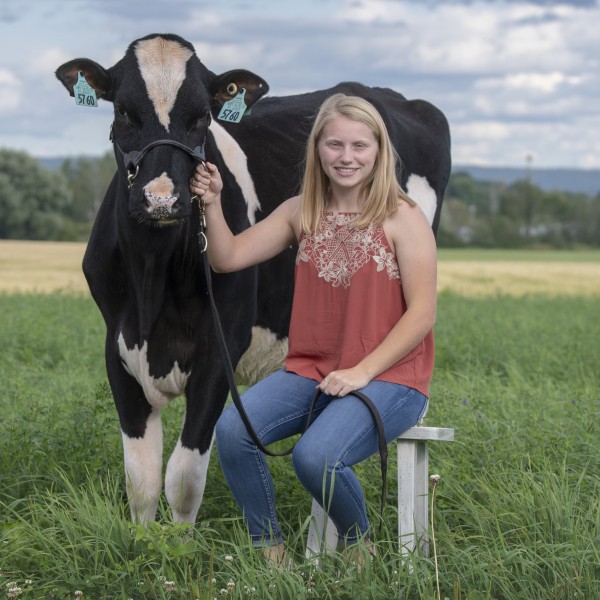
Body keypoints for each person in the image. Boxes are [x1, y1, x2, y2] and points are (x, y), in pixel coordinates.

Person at [190, 93, 437, 566]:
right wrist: (215, 203)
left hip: (391, 378)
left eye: (360, 146)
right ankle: (271, 555)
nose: (347, 157)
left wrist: (362, 371)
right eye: (335, 145)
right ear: (318, 150)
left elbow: (422, 313)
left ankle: (358, 545)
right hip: (311, 371)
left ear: (379, 151)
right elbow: (227, 259)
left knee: (315, 457)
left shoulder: (403, 217)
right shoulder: (299, 211)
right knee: (233, 431)